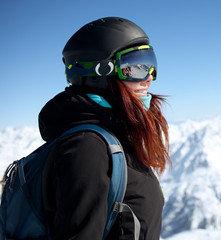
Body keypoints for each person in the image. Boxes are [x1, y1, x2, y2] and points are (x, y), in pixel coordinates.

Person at [39, 17, 171, 240]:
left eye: (150, 63)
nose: (149, 77)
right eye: (135, 67)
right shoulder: (87, 148)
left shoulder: (118, 137)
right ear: (100, 71)